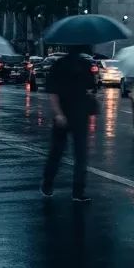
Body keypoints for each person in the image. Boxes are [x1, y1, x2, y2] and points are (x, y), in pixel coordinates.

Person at [41, 46, 97, 203]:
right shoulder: (85, 65)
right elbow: (91, 89)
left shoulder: (58, 65)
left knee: (56, 152)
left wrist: (58, 113)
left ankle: (48, 184)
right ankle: (78, 192)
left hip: (64, 114)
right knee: (80, 154)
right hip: (80, 114)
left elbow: (52, 91)